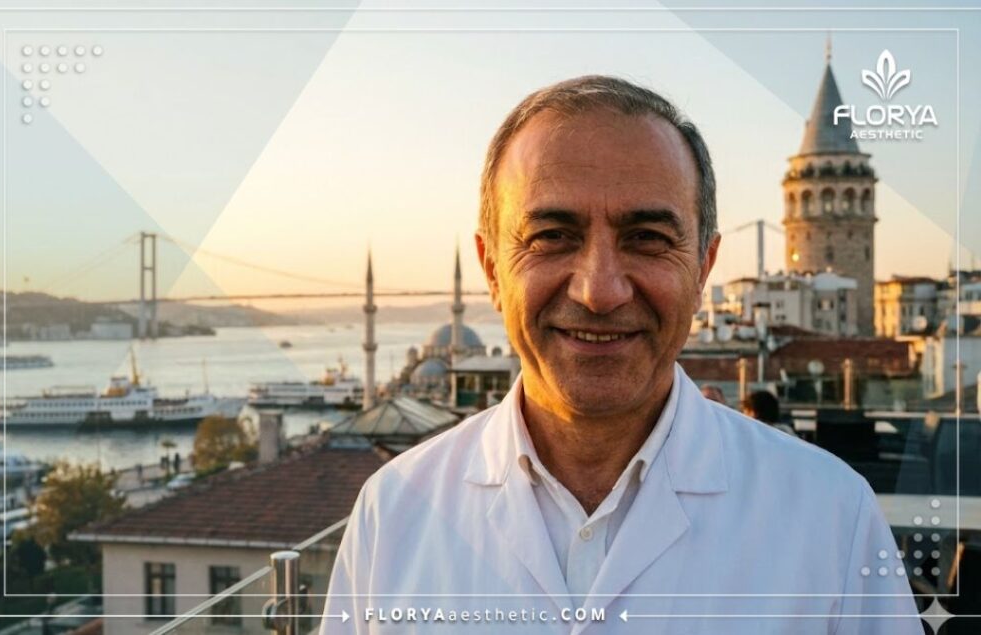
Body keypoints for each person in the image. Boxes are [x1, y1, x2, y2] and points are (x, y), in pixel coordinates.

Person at [322, 76, 921, 634]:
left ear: (702, 270)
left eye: (648, 239)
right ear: (491, 270)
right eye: (552, 236)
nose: (600, 290)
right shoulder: (394, 511)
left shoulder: (831, 516)